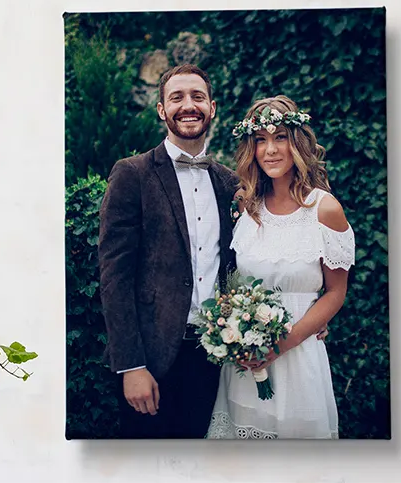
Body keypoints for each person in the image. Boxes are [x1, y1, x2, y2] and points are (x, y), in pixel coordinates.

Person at [98, 64, 240, 438]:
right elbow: (114, 275)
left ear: (212, 108)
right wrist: (130, 366)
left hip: (216, 358)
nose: (187, 105)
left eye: (197, 97)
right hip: (151, 363)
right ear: (162, 109)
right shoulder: (133, 173)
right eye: (176, 97)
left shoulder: (230, 183)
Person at [206, 95, 356, 439]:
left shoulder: (325, 209)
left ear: (298, 143)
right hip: (245, 363)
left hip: (298, 357)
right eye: (261, 140)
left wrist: (281, 345)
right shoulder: (245, 204)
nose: (270, 150)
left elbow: (336, 292)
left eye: (280, 138)